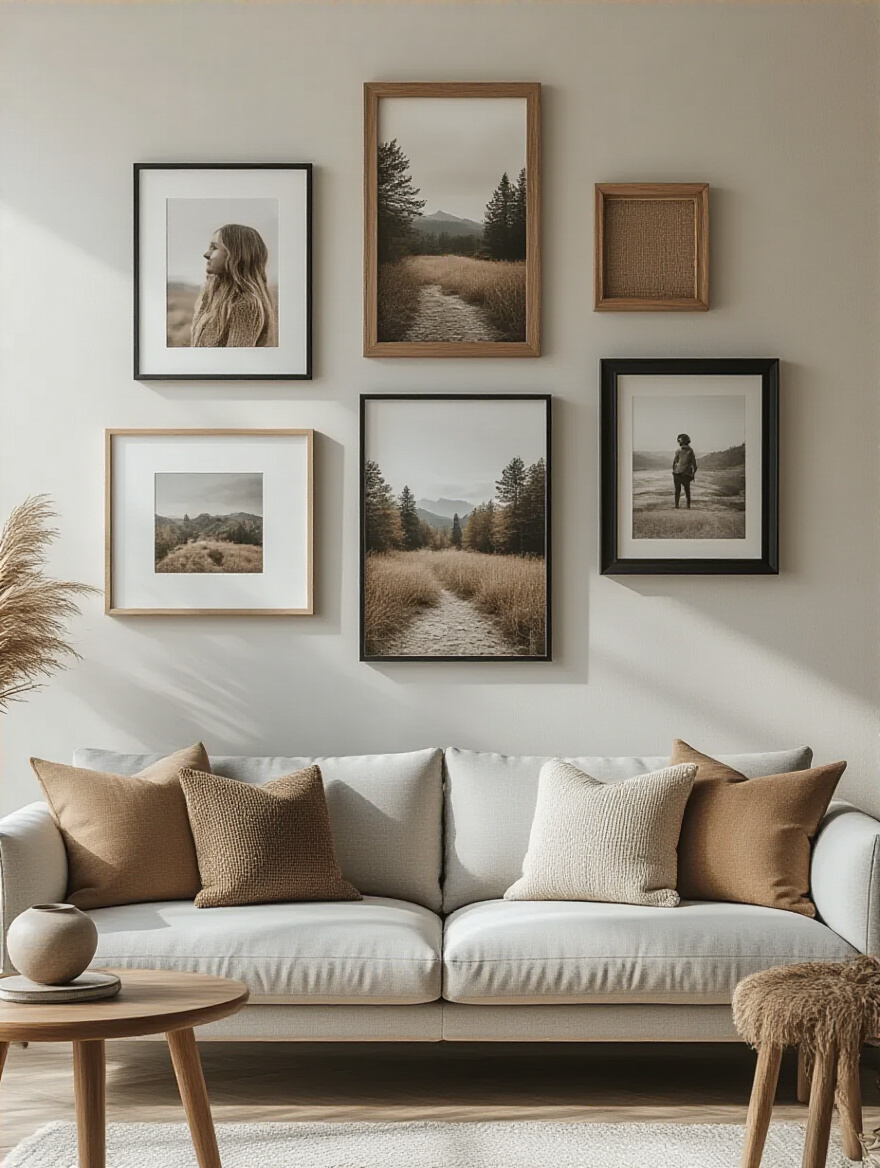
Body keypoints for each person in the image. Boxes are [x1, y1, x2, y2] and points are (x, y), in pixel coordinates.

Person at [191, 224, 277, 348]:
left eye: (214, 248)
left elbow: (236, 361)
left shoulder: (245, 304)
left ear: (236, 255)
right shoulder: (211, 296)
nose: (206, 254)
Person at [672, 433, 697, 508]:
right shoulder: (685, 451)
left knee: (678, 491)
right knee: (686, 490)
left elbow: (674, 463)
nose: (678, 442)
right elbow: (695, 465)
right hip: (683, 474)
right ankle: (687, 505)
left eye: (679, 440)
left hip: (679, 474)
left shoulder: (683, 451)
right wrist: (692, 474)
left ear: (683, 441)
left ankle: (678, 505)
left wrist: (692, 473)